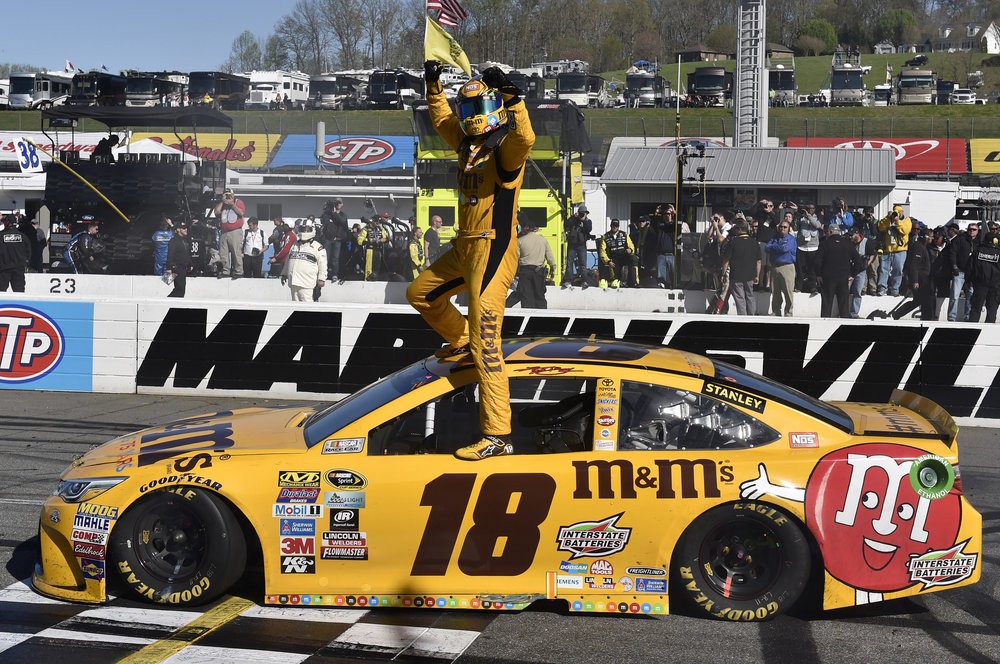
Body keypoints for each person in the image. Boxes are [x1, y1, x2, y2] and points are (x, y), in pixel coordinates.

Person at [407, 61, 535, 460]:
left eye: (478, 110)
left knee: (488, 342)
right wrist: (432, 83)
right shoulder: (466, 144)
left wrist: (513, 97)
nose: (470, 118)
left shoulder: (506, 150)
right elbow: (442, 115)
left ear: (494, 108)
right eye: (467, 111)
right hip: (465, 246)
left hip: (494, 249)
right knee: (420, 294)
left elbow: (526, 137)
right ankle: (460, 342)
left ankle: (498, 436)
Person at [816, 224, 861, 318]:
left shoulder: (824, 244)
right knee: (843, 305)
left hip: (827, 278)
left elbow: (817, 261)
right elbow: (858, 260)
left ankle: (824, 325)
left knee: (827, 304)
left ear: (830, 232)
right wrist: (853, 274)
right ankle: (844, 324)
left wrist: (818, 274)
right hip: (844, 278)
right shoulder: (847, 243)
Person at [891, 228, 937, 320]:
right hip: (920, 280)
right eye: (931, 237)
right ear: (926, 237)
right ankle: (927, 319)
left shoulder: (922, 246)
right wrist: (915, 280)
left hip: (923, 279)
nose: (932, 239)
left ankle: (897, 314)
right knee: (927, 300)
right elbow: (914, 265)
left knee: (918, 301)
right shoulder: (918, 247)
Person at [721, 220, 761, 315]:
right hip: (750, 274)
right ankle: (751, 318)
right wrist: (757, 275)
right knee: (750, 296)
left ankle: (743, 319)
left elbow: (726, 260)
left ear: (739, 229)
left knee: (740, 298)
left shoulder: (733, 242)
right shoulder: (754, 242)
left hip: (736, 275)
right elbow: (758, 261)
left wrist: (723, 274)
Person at [281, 219, 327, 301]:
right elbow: (288, 260)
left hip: (307, 284)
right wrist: (284, 273)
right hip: (293, 283)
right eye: (302, 229)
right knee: (295, 307)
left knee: (307, 308)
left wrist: (321, 279)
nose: (304, 232)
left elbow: (322, 265)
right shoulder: (295, 245)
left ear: (312, 230)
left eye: (307, 229)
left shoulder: (317, 247)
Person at [514, 224, 556, 308]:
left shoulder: (520, 241)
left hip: (524, 272)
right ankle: (542, 316)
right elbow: (549, 256)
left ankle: (527, 315)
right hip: (539, 272)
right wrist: (553, 268)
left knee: (526, 296)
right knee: (539, 295)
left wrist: (514, 273)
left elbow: (515, 258)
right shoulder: (543, 240)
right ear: (535, 230)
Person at [764, 216, 796, 316]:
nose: (782, 229)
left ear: (788, 228)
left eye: (785, 227)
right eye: (781, 227)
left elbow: (784, 249)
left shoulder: (791, 239)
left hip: (787, 267)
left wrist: (774, 248)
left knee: (788, 291)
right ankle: (776, 311)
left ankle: (788, 312)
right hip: (775, 266)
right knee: (775, 291)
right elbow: (766, 248)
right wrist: (777, 247)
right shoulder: (774, 238)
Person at [876, 204, 912, 296]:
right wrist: (888, 218)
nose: (896, 214)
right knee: (884, 269)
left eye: (898, 212)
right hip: (888, 249)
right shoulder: (888, 220)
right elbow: (880, 227)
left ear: (902, 212)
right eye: (895, 212)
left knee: (898, 270)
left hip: (900, 250)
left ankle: (895, 289)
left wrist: (897, 221)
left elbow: (906, 230)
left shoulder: (906, 220)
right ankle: (882, 288)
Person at [967, 229, 1000, 323]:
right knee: (992, 310)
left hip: (980, 284)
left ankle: (971, 331)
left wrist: (968, 280)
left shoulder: (977, 251)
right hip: (996, 286)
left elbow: (970, 267)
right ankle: (988, 334)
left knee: (975, 309)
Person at [213, 188, 246, 279]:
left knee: (236, 251)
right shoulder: (222, 204)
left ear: (233, 195)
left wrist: (232, 203)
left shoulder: (238, 202)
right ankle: (225, 271)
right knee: (223, 252)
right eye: (225, 195)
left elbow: (241, 213)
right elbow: (216, 212)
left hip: (235, 231)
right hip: (224, 231)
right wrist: (222, 201)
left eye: (229, 195)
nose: (227, 197)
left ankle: (238, 271)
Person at [598, 219, 639, 288]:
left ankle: (634, 282)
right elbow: (602, 252)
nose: (615, 227)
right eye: (613, 226)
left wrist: (631, 250)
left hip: (624, 257)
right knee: (615, 280)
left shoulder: (624, 234)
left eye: (616, 226)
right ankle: (615, 281)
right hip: (613, 259)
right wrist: (608, 261)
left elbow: (631, 245)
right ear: (610, 226)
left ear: (618, 227)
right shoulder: (605, 236)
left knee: (634, 259)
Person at [321, 198, 349, 282]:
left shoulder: (343, 215)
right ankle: (324, 274)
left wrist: (334, 213)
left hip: (337, 239)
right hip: (328, 239)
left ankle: (334, 274)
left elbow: (342, 222)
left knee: (335, 258)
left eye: (340, 203)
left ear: (342, 204)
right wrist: (328, 211)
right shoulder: (327, 214)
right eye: (337, 203)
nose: (338, 204)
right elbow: (324, 222)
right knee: (326, 257)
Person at [848, 227, 874, 318]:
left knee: (858, 292)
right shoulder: (850, 243)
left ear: (857, 233)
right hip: (851, 270)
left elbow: (872, 255)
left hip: (861, 270)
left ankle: (854, 313)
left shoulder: (867, 242)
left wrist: (867, 264)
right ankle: (844, 311)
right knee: (845, 290)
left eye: (852, 235)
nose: (850, 237)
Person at [563, 204, 592, 286]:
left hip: (581, 245)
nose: (582, 214)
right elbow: (566, 225)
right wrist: (573, 217)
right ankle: (568, 280)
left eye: (584, 213)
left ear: (586, 214)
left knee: (582, 264)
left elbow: (588, 229)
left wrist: (583, 220)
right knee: (569, 263)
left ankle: (584, 281)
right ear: (578, 212)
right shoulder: (574, 220)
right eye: (581, 213)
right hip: (572, 245)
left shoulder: (588, 221)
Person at [796, 203, 822, 293]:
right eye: (808, 208)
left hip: (813, 248)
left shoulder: (817, 218)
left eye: (812, 208)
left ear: (814, 209)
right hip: (802, 247)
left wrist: (809, 217)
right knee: (800, 269)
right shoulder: (801, 219)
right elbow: (797, 229)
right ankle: (799, 287)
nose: (809, 210)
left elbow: (817, 226)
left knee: (812, 269)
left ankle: (813, 287)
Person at [0, 217, 30, 292]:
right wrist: (26, 262)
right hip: (19, 268)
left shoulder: (1, 236)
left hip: (4, 268)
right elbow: (29, 251)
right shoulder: (23, 236)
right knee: (19, 291)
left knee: (1, 291)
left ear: (7, 223)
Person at [165, 220, 192, 297]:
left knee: (181, 290)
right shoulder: (174, 241)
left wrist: (190, 264)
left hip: (182, 268)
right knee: (179, 289)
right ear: (178, 230)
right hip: (175, 268)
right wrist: (169, 268)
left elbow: (186, 254)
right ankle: (167, 302)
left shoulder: (185, 241)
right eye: (183, 228)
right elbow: (170, 255)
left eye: (186, 228)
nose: (186, 229)